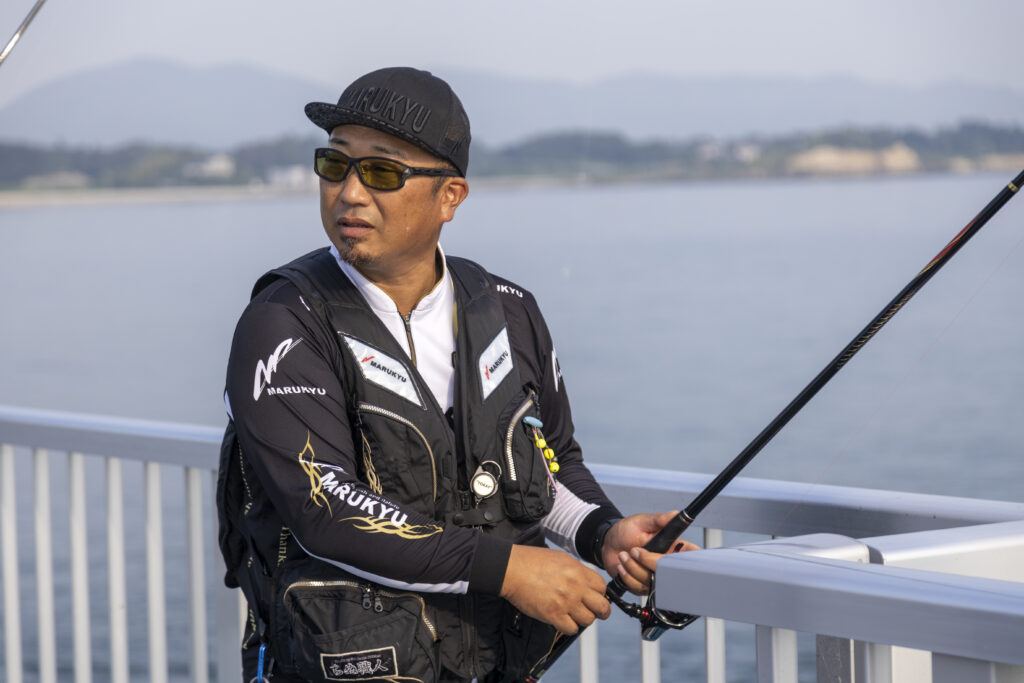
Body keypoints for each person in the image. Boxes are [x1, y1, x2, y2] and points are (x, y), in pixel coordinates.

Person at [218, 66, 696, 683]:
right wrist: (512, 570)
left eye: (382, 172)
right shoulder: (283, 322)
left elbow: (548, 463)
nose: (350, 192)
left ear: (451, 197)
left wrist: (603, 533)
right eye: (335, 165)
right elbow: (325, 505)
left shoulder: (509, 310)